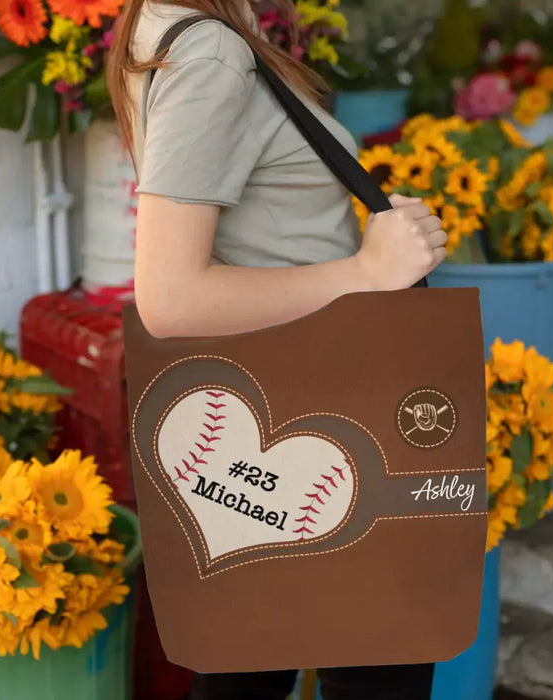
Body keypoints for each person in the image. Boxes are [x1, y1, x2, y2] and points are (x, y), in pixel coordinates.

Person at [108, 2, 448, 698]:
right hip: (319, 415)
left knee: (250, 671)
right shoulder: (210, 53)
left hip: (274, 420)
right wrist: (365, 273)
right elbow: (169, 298)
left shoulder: (178, 27)